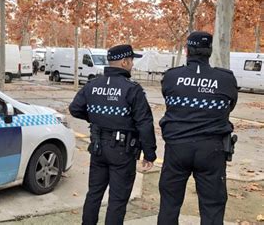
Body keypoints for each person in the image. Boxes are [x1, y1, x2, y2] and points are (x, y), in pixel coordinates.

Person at [69, 44, 157, 225]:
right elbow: (144, 123)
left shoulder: (93, 84)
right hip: (122, 152)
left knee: (94, 193)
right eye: (131, 60)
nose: (132, 64)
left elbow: (75, 109)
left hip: (98, 147)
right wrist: (149, 154)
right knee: (117, 200)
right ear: (124, 62)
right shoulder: (132, 89)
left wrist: (96, 118)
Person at [158, 31, 239, 225]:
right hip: (212, 150)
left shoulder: (171, 77)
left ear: (187, 51)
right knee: (212, 206)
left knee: (169, 203)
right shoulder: (226, 79)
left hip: (177, 148)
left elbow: (169, 100)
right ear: (209, 51)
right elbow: (230, 105)